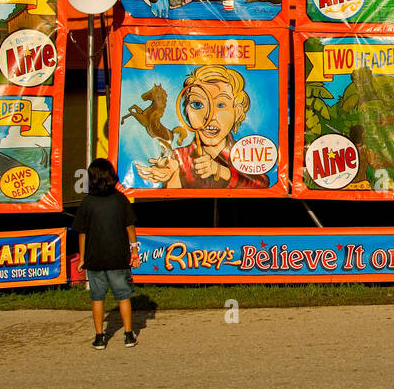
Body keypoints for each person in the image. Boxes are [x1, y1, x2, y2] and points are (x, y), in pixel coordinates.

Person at [133, 65, 268, 189]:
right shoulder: (178, 158)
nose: (209, 116)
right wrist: (173, 175)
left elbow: (262, 185)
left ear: (237, 112)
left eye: (220, 105)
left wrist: (219, 170)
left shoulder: (246, 153)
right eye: (197, 104)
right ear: (186, 110)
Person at [73, 158, 138, 350]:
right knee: (123, 296)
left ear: (91, 178)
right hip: (118, 256)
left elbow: (82, 233)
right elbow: (130, 226)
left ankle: (100, 337)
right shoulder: (120, 199)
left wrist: (82, 258)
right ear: (111, 176)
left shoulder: (87, 202)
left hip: (94, 258)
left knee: (97, 298)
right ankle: (128, 335)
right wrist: (134, 249)